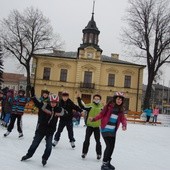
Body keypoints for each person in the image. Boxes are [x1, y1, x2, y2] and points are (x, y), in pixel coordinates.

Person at [21, 87, 64, 166]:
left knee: (49, 147)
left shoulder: (59, 110)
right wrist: (33, 94)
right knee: (35, 144)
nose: (53, 103)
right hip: (41, 129)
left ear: (57, 103)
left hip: (50, 131)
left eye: (55, 102)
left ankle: (45, 158)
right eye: (52, 102)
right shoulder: (44, 106)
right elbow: (36, 102)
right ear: (49, 101)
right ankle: (29, 155)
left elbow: (66, 113)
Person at [89, 92, 127, 170]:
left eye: (121, 100)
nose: (119, 101)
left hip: (113, 130)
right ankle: (104, 164)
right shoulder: (108, 106)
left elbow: (123, 118)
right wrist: (94, 119)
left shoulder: (121, 109)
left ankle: (108, 162)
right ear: (115, 99)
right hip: (105, 128)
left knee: (112, 147)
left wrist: (124, 125)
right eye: (118, 99)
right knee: (109, 146)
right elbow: (101, 114)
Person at [77, 94, 103, 160]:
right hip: (90, 126)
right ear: (93, 99)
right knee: (86, 140)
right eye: (95, 99)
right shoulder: (90, 105)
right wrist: (78, 99)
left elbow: (107, 114)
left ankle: (99, 154)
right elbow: (82, 106)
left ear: (100, 100)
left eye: (98, 99)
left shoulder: (102, 107)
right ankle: (84, 153)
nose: (96, 100)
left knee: (98, 141)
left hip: (97, 127)